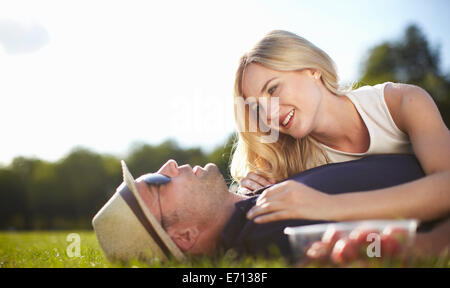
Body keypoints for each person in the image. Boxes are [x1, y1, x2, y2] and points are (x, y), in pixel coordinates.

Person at [231, 30, 450, 224]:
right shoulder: (288, 160)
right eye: (258, 109)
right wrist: (248, 195)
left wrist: (329, 205)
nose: (269, 115)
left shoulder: (402, 102)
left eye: (272, 89)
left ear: (312, 69)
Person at [92, 154, 448, 264]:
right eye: (156, 182)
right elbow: (414, 246)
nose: (168, 165)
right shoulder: (271, 236)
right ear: (184, 236)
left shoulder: (256, 205)